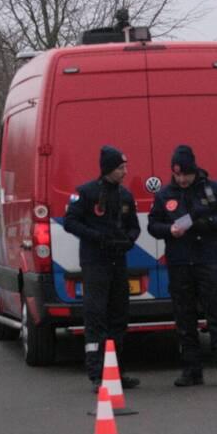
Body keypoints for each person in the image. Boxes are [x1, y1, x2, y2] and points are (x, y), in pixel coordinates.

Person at [147, 145, 217, 387]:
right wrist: (169, 230)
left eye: (185, 175)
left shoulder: (215, 189)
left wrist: (207, 223)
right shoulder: (165, 194)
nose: (182, 179)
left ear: (194, 170)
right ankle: (191, 370)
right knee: (184, 318)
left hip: (208, 261)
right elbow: (152, 226)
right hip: (179, 264)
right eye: (177, 175)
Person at [63, 145, 141, 393]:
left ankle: (116, 371)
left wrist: (128, 240)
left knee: (119, 316)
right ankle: (97, 374)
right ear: (109, 169)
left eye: (125, 167)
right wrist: (97, 237)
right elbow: (70, 222)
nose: (125, 172)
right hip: (95, 263)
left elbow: (134, 227)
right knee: (96, 316)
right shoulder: (86, 193)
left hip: (118, 262)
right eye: (120, 168)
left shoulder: (125, 196)